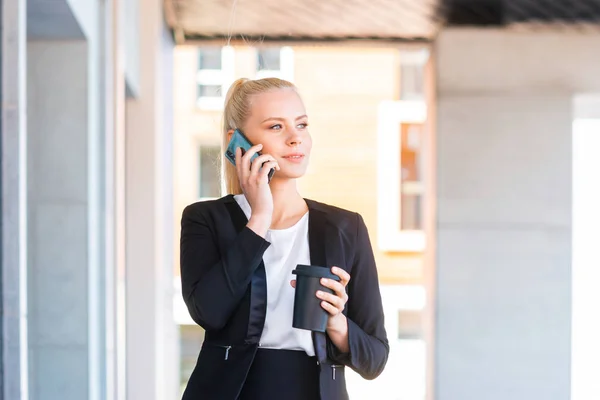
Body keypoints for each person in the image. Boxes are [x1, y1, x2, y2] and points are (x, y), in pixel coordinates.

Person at [180, 77, 388, 400]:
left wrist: (337, 324)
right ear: (237, 142)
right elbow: (208, 312)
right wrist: (259, 219)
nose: (295, 139)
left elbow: (376, 358)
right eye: (276, 127)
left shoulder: (347, 229)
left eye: (301, 125)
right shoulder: (205, 220)